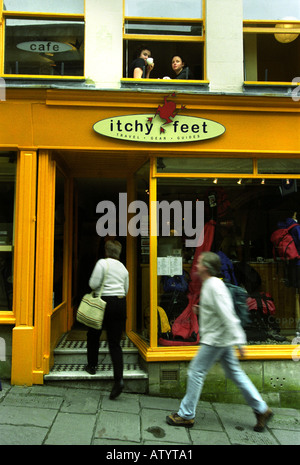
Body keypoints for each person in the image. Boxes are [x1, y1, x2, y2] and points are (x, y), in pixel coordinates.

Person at [166, 251, 273, 432]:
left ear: (206, 268)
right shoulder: (212, 284)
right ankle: (261, 409)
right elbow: (219, 310)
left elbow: (228, 315)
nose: (197, 265)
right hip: (221, 338)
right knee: (235, 374)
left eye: (200, 263)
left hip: (215, 339)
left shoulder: (214, 286)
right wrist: (202, 310)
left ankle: (186, 415)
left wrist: (240, 341)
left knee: (195, 372)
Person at [85, 239, 129, 400]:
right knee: (115, 343)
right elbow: (126, 289)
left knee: (93, 333)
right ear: (119, 253)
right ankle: (119, 379)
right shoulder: (124, 268)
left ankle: (92, 365)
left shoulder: (102, 264)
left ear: (106, 251)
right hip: (120, 303)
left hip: (104, 302)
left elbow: (92, 284)